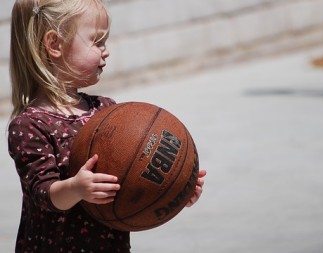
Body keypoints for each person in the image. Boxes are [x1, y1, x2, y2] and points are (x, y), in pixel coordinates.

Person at [7, 0, 206, 252]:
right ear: (54, 44)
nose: (106, 50)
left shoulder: (106, 110)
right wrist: (76, 188)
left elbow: (131, 181)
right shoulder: (30, 125)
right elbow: (43, 194)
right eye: (97, 41)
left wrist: (174, 188)